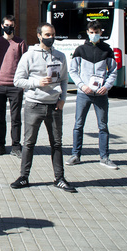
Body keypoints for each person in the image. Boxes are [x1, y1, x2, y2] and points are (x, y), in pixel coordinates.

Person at [11, 23, 77, 193]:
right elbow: (18, 81)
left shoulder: (60, 56)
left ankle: (59, 178)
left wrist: (62, 98)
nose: (51, 38)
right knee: (29, 143)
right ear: (39, 36)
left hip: (54, 106)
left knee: (56, 143)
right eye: (47, 35)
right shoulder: (29, 56)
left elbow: (64, 79)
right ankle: (24, 177)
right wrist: (36, 83)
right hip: (34, 104)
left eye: (53, 34)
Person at [67, 21, 118, 169]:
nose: (94, 34)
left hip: (101, 94)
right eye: (91, 32)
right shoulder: (80, 50)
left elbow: (113, 71)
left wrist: (107, 87)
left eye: (97, 32)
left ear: (101, 32)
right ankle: (75, 155)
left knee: (103, 126)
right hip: (84, 93)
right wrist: (82, 86)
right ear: (87, 32)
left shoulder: (107, 50)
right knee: (78, 124)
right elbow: (73, 71)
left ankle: (104, 157)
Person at [0, 15, 27, 157]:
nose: (9, 27)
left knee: (16, 117)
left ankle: (16, 146)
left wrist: (24, 82)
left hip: (15, 85)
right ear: (2, 26)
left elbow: (25, 64)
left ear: (14, 26)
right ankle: (0, 145)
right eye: (7, 25)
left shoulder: (20, 42)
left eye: (11, 25)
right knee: (0, 118)